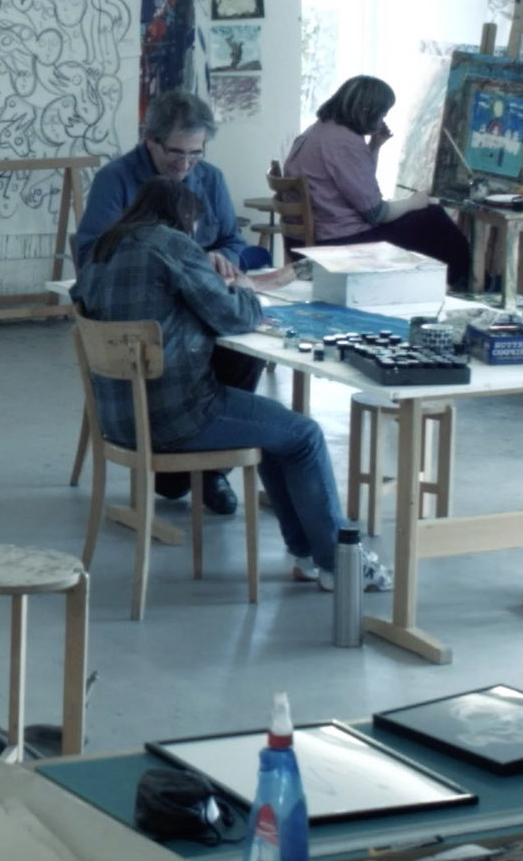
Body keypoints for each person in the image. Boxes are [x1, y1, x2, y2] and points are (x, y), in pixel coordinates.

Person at [75, 179, 390, 591]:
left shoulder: (101, 251)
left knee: (278, 433)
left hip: (118, 419)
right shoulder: (171, 244)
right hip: (175, 414)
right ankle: (339, 563)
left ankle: (312, 558)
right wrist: (243, 288)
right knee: (304, 435)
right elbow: (235, 318)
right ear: (184, 219)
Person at [75, 92, 274, 515]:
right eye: (175, 153)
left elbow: (232, 240)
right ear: (150, 139)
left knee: (247, 353)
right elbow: (92, 250)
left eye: (195, 155)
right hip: (153, 312)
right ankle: (180, 455)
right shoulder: (117, 178)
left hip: (201, 302)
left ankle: (208, 468)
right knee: (227, 339)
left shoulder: (212, 178)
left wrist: (224, 259)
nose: (184, 166)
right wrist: (175, 258)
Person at [281, 75, 474, 291]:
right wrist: (413, 202)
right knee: (432, 219)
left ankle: (438, 285)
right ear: (367, 111)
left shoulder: (320, 130)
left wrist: (374, 147)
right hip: (337, 243)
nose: (382, 120)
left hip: (306, 240)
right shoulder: (343, 143)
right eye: (382, 113)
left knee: (421, 218)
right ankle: (465, 287)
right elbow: (375, 212)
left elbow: (356, 184)